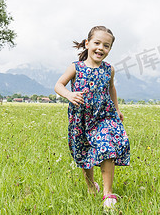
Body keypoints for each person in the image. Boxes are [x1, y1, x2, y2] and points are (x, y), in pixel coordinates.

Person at [55, 26, 130, 209]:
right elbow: (59, 85)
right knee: (84, 152)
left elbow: (111, 88)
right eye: (97, 43)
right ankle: (91, 186)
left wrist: (117, 109)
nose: (100, 48)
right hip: (81, 117)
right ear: (87, 44)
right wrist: (69, 95)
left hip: (104, 116)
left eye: (106, 45)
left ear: (110, 49)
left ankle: (108, 195)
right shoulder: (76, 67)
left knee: (107, 146)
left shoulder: (109, 69)